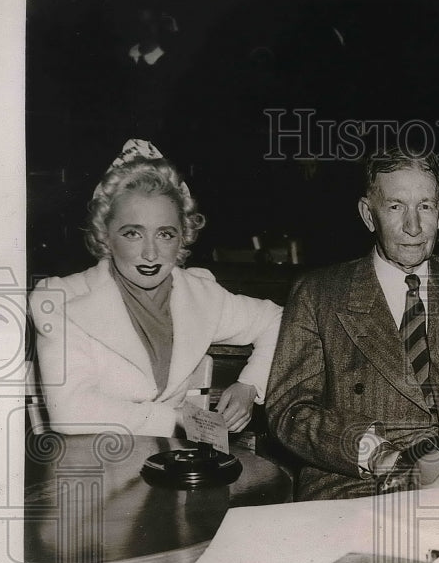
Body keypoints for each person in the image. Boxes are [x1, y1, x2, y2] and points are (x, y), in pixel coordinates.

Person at [266, 146, 439, 500]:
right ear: (368, 214)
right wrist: (374, 453)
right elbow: (289, 411)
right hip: (359, 485)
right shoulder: (319, 294)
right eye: (395, 207)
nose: (413, 227)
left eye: (425, 206)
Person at [29, 139, 283, 438]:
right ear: (105, 235)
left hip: (170, 461)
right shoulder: (61, 299)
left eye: (165, 234)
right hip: (92, 461)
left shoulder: (201, 294)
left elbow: (277, 320)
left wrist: (250, 385)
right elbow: (70, 413)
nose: (151, 254)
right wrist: (178, 420)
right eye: (133, 234)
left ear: (182, 236)